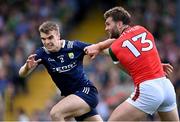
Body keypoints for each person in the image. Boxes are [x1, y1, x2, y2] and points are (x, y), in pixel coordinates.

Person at [84, 6, 179, 121]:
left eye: (108, 24)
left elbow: (127, 67)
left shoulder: (115, 48)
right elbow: (139, 49)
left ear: (119, 24)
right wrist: (157, 65)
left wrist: (98, 47)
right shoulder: (141, 29)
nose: (106, 28)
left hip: (148, 89)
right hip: (166, 86)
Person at [19, 21, 104, 121]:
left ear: (58, 36)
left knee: (56, 113)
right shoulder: (42, 53)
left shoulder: (74, 46)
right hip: (73, 99)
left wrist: (116, 49)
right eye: (43, 39)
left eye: (50, 37)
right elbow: (21, 73)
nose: (47, 42)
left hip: (86, 92)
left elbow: (99, 48)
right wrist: (27, 68)